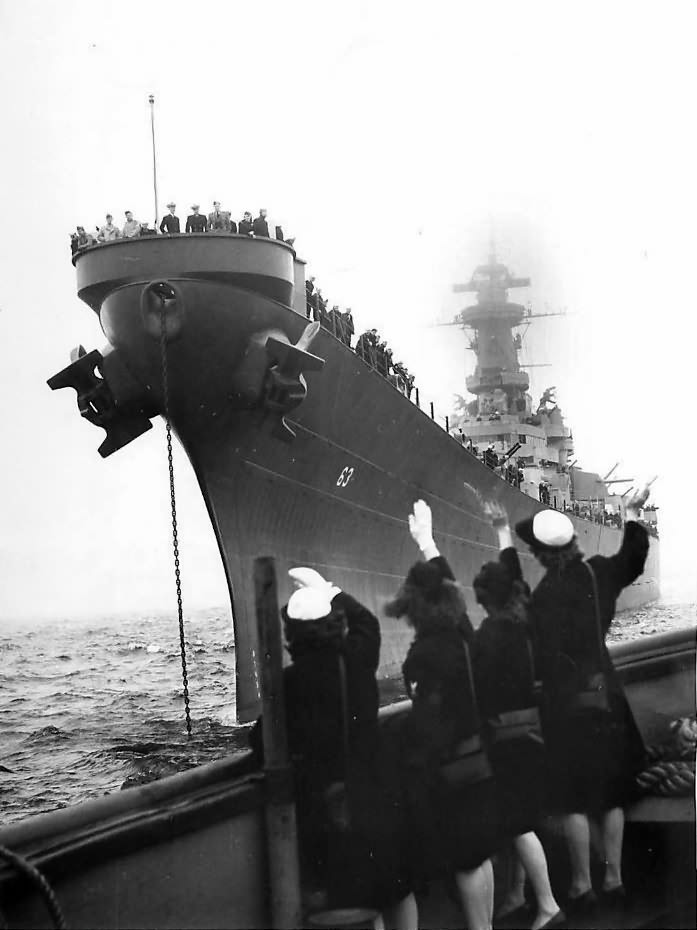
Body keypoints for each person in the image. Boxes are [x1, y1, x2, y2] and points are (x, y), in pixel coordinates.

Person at [249, 569, 417, 930]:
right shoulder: (359, 658)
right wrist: (328, 589)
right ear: (333, 623)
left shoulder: (289, 684)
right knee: (397, 888)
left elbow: (262, 743)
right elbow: (367, 622)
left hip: (330, 808)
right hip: (378, 792)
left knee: (357, 901)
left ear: (291, 635)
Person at [514, 487, 651, 917]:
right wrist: (632, 512)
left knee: (572, 797)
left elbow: (533, 653)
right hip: (604, 694)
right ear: (573, 543)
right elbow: (633, 559)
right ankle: (615, 879)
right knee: (611, 793)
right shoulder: (598, 574)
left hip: (563, 703)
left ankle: (580, 884)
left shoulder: (541, 598)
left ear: (540, 553)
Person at [384, 501, 500, 930]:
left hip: (451, 770)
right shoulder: (463, 633)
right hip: (480, 758)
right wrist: (428, 543)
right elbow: (447, 587)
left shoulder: (424, 656)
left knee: (464, 863)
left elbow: (430, 725)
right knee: (482, 857)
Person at [473, 501, 564, 930]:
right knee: (523, 819)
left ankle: (547, 905)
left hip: (505, 740)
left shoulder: (488, 635)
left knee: (517, 824)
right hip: (534, 733)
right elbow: (514, 575)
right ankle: (516, 894)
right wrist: (502, 530)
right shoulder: (523, 621)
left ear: (483, 600)